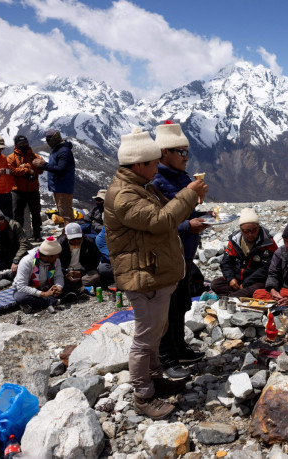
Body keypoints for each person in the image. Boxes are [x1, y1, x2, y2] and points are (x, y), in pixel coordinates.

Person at [104, 127, 206, 419]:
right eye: (152, 162)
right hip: (142, 274)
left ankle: (154, 378)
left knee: (156, 330)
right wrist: (188, 193)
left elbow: (167, 215)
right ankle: (143, 395)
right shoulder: (125, 194)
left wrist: (190, 198)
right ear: (139, 164)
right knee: (146, 337)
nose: (156, 166)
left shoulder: (141, 185)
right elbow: (161, 220)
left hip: (152, 271)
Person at [152, 120, 212, 368]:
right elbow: (156, 224)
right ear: (165, 152)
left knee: (181, 304)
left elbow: (183, 211)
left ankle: (179, 347)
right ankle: (165, 356)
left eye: (187, 152)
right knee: (166, 308)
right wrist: (189, 226)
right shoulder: (156, 182)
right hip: (168, 255)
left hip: (185, 253)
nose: (186, 157)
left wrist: (200, 212)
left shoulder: (181, 177)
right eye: (182, 152)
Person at [211, 208, 278, 298]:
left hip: (256, 281)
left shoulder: (268, 243)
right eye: (246, 231)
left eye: (253, 230)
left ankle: (230, 296)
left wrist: (246, 283)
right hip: (238, 279)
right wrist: (231, 278)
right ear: (241, 229)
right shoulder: (235, 241)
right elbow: (226, 262)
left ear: (258, 227)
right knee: (215, 284)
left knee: (258, 288)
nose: (250, 234)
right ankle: (236, 295)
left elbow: (268, 268)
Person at [12, 237, 71, 314]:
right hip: (29, 287)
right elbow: (21, 286)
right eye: (56, 255)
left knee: (67, 285)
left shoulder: (56, 260)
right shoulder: (26, 261)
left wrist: (59, 287)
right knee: (20, 297)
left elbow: (58, 276)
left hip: (45, 285)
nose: (57, 257)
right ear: (48, 256)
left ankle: (43, 302)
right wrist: (43, 294)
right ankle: (54, 301)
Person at [33, 129, 75, 225]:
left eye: (49, 140)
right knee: (64, 212)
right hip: (59, 187)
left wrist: (43, 165)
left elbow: (61, 169)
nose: (48, 143)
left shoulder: (63, 151)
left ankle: (70, 236)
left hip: (63, 187)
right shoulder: (57, 150)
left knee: (66, 213)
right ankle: (68, 233)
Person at [8, 135, 43, 242]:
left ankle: (37, 235)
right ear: (16, 145)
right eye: (21, 144)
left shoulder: (34, 156)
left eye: (25, 143)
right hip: (17, 190)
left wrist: (35, 167)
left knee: (36, 214)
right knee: (17, 215)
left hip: (33, 190)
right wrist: (27, 171)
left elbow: (41, 170)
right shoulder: (11, 157)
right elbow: (11, 171)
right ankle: (18, 237)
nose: (24, 145)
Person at [0, 208, 30, 281]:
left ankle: (14, 269)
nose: (0, 221)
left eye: (1, 218)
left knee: (31, 256)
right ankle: (14, 269)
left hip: (18, 253)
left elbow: (24, 243)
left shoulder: (14, 225)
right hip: (4, 256)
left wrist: (16, 261)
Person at [58, 222, 100, 293]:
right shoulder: (60, 244)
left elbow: (95, 261)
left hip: (83, 272)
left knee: (95, 276)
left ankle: (73, 287)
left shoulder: (89, 242)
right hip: (66, 272)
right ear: (66, 236)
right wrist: (66, 272)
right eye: (72, 239)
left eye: (78, 238)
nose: (76, 241)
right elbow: (56, 263)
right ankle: (78, 287)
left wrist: (81, 272)